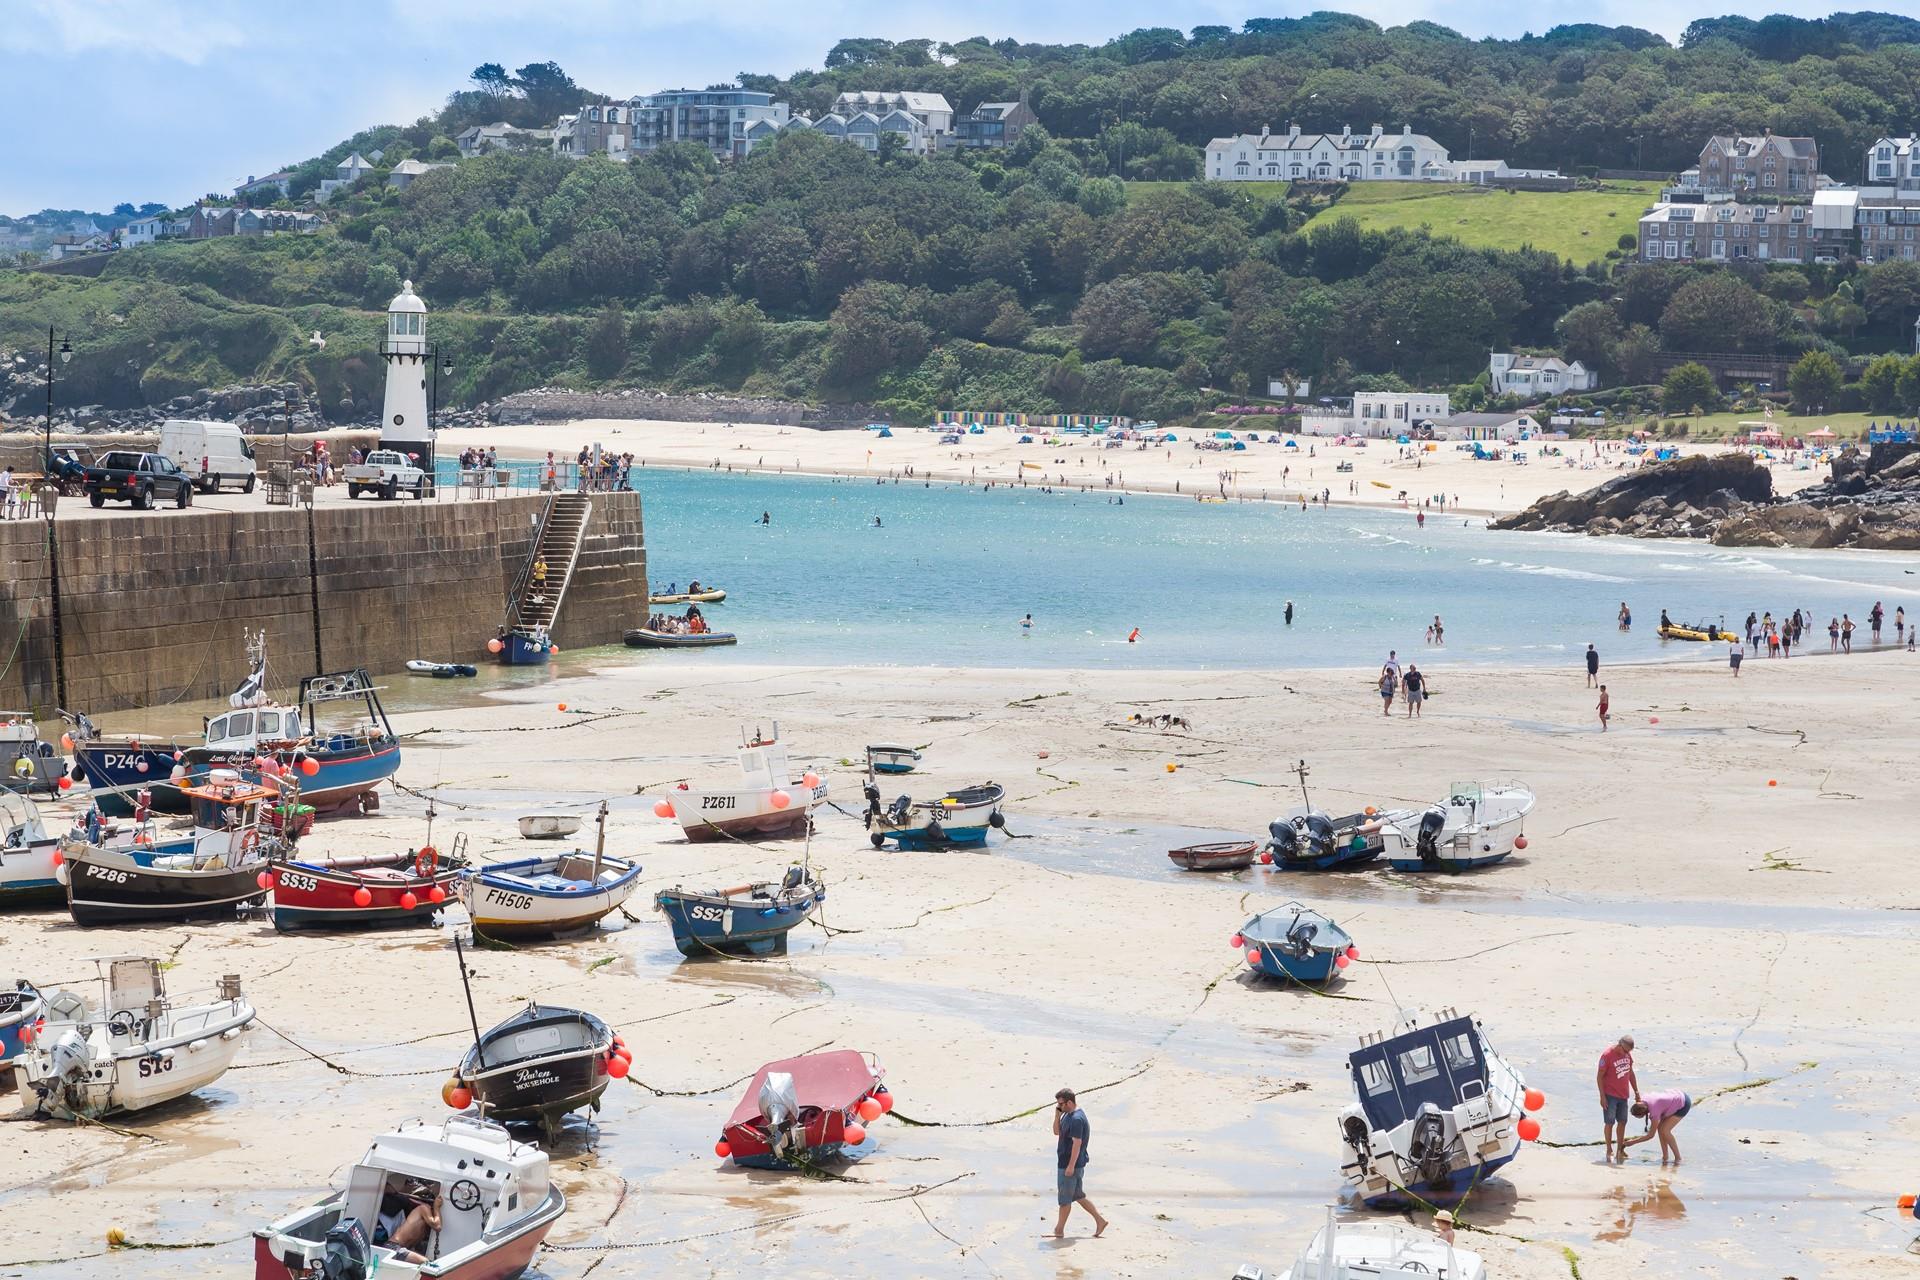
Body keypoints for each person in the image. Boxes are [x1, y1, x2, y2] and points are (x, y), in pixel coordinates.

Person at [1051, 1088, 1107, 1239]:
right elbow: (1057, 1132)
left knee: (1064, 1200)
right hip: (1069, 1163)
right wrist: (1057, 1115)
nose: (1059, 1107)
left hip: (1070, 1165)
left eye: (1061, 1104)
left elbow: (1077, 1144)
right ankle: (1100, 1220)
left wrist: (1070, 1166)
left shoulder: (1077, 1119)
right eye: (1058, 1105)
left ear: (1070, 1102)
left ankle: (1059, 1230)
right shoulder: (1067, 1115)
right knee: (1078, 1196)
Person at [1597, 1034, 1640, 1163]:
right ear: (1619, 1045)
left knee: (1623, 1122)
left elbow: (1630, 1073)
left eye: (1628, 1052)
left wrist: (1636, 1091)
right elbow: (1599, 1077)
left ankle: (1620, 1149)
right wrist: (1602, 1096)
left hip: (1623, 1095)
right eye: (1625, 1050)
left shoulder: (1627, 1055)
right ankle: (1609, 1149)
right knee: (1609, 1122)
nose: (1626, 1053)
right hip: (1610, 1096)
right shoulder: (1607, 1056)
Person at [374, 1185, 442, 1264]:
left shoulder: (423, 1222)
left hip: (400, 1248)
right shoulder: (424, 1208)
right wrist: (437, 1207)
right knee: (426, 1263)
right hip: (393, 1247)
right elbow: (438, 1226)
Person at [1624, 1089, 1692, 1165]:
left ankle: (1678, 1158)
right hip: (1676, 1096)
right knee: (1660, 1129)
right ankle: (1665, 1157)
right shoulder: (1642, 1100)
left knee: (1665, 1131)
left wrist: (1633, 1142)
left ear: (1644, 1112)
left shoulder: (1654, 1111)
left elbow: (1651, 1135)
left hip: (1683, 1103)